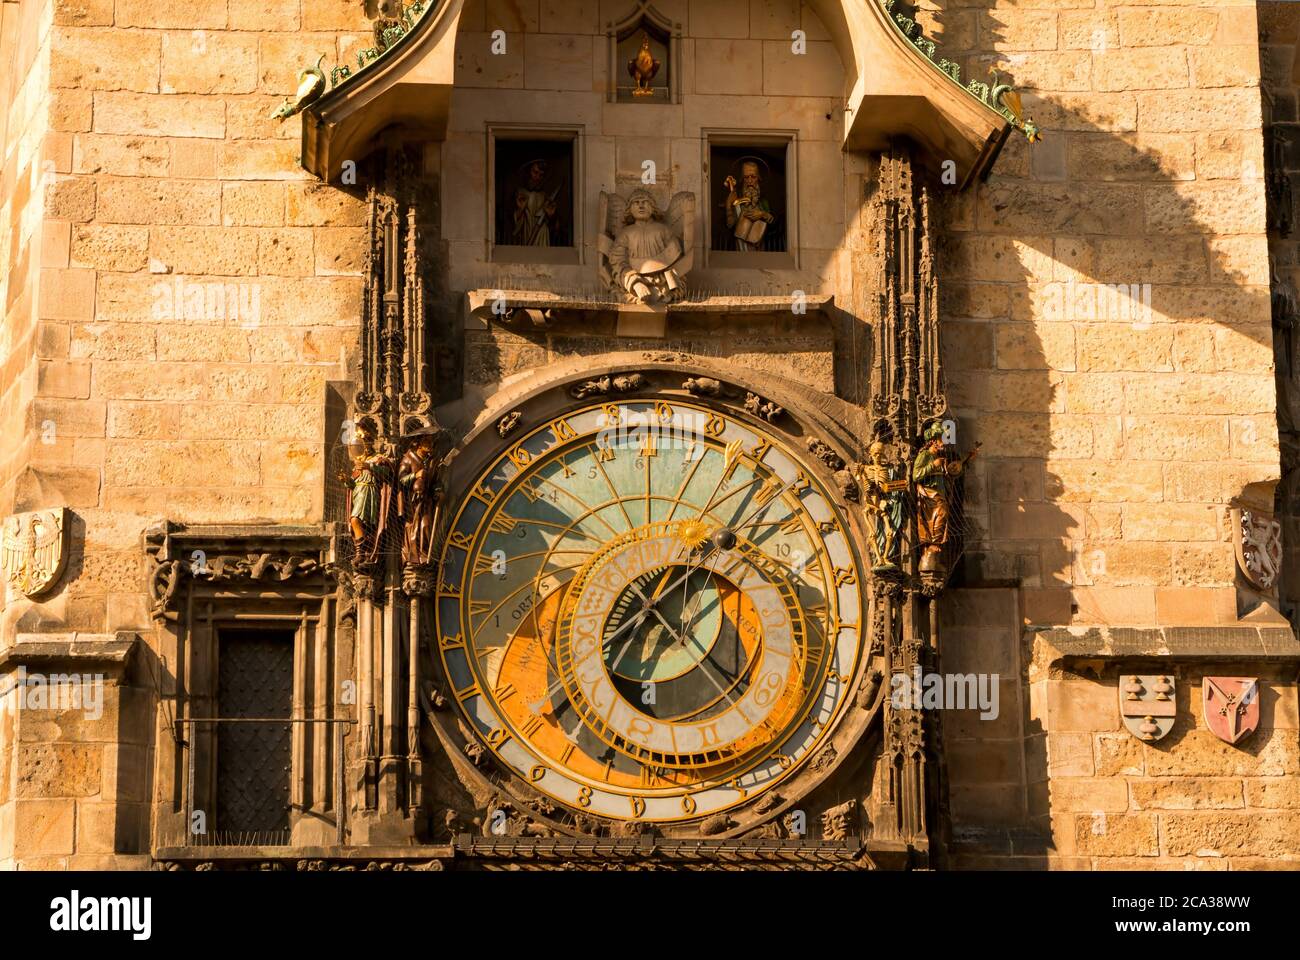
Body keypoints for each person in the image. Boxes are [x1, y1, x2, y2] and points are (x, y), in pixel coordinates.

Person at [608, 189, 685, 304]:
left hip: (663, 283)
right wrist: (635, 283)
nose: (641, 206)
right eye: (636, 202)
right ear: (630, 209)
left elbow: (676, 260)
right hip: (633, 284)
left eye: (645, 202)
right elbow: (618, 263)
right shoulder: (625, 233)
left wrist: (670, 284)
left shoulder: (664, 230)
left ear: (652, 207)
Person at [723, 160, 774, 251]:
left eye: (753, 177)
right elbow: (729, 225)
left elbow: (775, 224)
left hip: (759, 247)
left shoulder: (764, 201)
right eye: (746, 177)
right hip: (740, 248)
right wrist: (728, 205)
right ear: (742, 179)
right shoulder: (736, 199)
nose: (750, 181)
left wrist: (763, 214)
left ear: (759, 178)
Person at [511, 160, 558, 246]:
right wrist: (520, 210)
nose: (537, 177)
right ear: (528, 172)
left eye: (541, 175)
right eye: (535, 172)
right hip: (526, 233)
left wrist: (551, 216)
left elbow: (553, 225)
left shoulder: (544, 196)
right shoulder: (520, 193)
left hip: (542, 235)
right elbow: (511, 223)